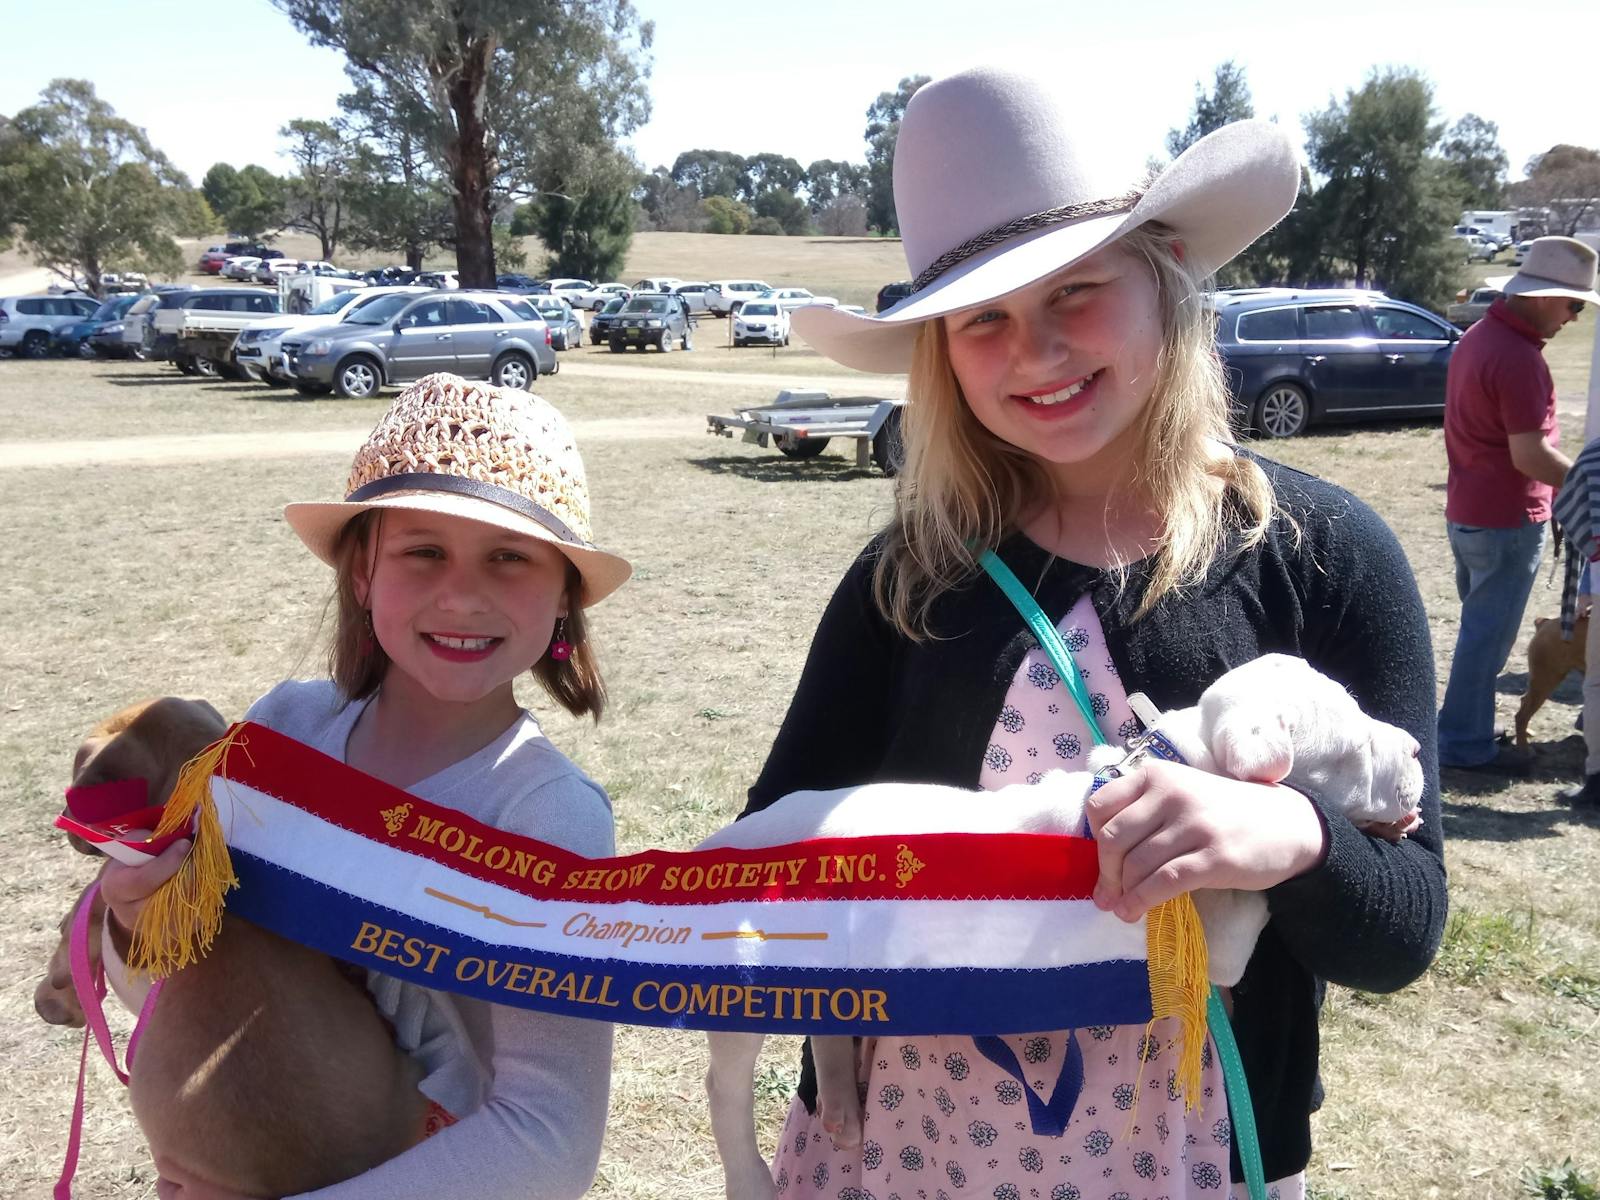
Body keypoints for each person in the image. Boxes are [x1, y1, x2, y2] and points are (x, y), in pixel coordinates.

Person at [745, 67, 1446, 1199]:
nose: (1033, 352)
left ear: (1164, 273)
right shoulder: (906, 582)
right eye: (982, 319)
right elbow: (775, 857)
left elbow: (1405, 925)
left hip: (1197, 1162)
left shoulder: (1326, 557)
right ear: (939, 353)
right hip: (905, 1151)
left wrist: (1290, 838)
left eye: (1076, 290)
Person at [97, 372, 631, 1199]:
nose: (462, 593)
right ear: (360, 574)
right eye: (423, 551)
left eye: (509, 558)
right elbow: (177, 980)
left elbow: (549, 1138)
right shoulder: (283, 730)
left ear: (564, 593)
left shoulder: (544, 815)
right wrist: (137, 910)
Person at [1437, 237, 1595, 771]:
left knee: (1479, 634)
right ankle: (1463, 745)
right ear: (1546, 297)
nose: (1574, 317)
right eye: (1574, 304)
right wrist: (1590, 485)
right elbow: (1530, 455)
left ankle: (1463, 735)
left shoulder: (1479, 337)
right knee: (1486, 642)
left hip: (1470, 513)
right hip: (1504, 520)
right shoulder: (1519, 358)